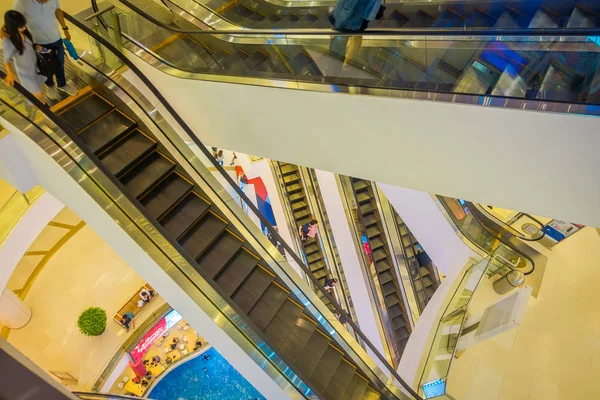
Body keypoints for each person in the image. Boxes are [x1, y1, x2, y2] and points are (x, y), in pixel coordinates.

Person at [13, 0, 77, 99]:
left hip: (56, 39)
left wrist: (65, 29)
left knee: (60, 64)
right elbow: (14, 20)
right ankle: (50, 86)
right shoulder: (21, 1)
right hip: (38, 43)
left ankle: (62, 85)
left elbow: (58, 11)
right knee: (45, 68)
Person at [3, 11, 45, 103]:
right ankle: (46, 112)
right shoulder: (8, 41)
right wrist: (10, 73)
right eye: (21, 27)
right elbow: (7, 60)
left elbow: (31, 45)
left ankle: (45, 110)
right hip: (25, 73)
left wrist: (38, 47)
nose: (25, 27)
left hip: (35, 68)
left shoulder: (25, 32)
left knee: (39, 93)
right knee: (38, 96)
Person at [328, 0, 384, 66]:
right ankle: (347, 65)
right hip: (358, 21)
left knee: (337, 51)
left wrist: (337, 22)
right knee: (350, 43)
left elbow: (349, 7)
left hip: (347, 23)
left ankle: (338, 69)